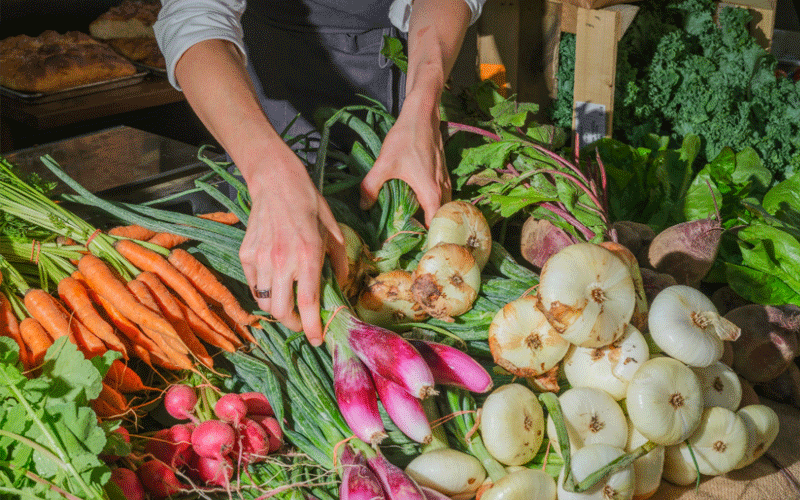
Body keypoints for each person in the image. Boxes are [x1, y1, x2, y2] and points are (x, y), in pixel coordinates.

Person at [154, 0, 485, 347]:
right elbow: (193, 15)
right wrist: (269, 173)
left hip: (421, 55)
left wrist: (422, 107)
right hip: (280, 89)